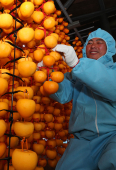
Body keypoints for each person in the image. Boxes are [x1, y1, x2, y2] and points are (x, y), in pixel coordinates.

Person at [50, 28, 116, 170]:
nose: (93, 45)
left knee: (112, 162)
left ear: (109, 48)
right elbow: (62, 95)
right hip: (83, 140)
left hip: (113, 135)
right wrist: (45, 74)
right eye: (90, 42)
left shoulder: (113, 71)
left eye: (99, 42)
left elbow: (111, 86)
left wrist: (77, 64)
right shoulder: (76, 76)